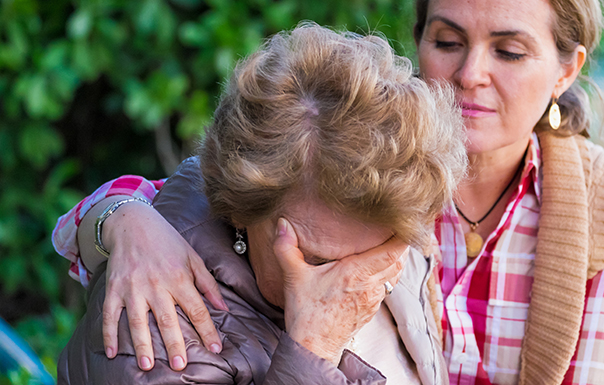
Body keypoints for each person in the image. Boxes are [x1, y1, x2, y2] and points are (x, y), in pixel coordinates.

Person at [54, 0, 604, 383]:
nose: (471, 74)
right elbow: (195, 194)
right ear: (419, 42)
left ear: (567, 69)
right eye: (447, 42)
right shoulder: (358, 163)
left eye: (510, 50)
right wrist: (125, 219)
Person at [57, 24, 467, 384]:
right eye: (319, 261)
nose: (357, 286)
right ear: (240, 206)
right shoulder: (156, 332)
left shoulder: (387, 217)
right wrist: (312, 350)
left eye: (378, 256)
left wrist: (119, 214)